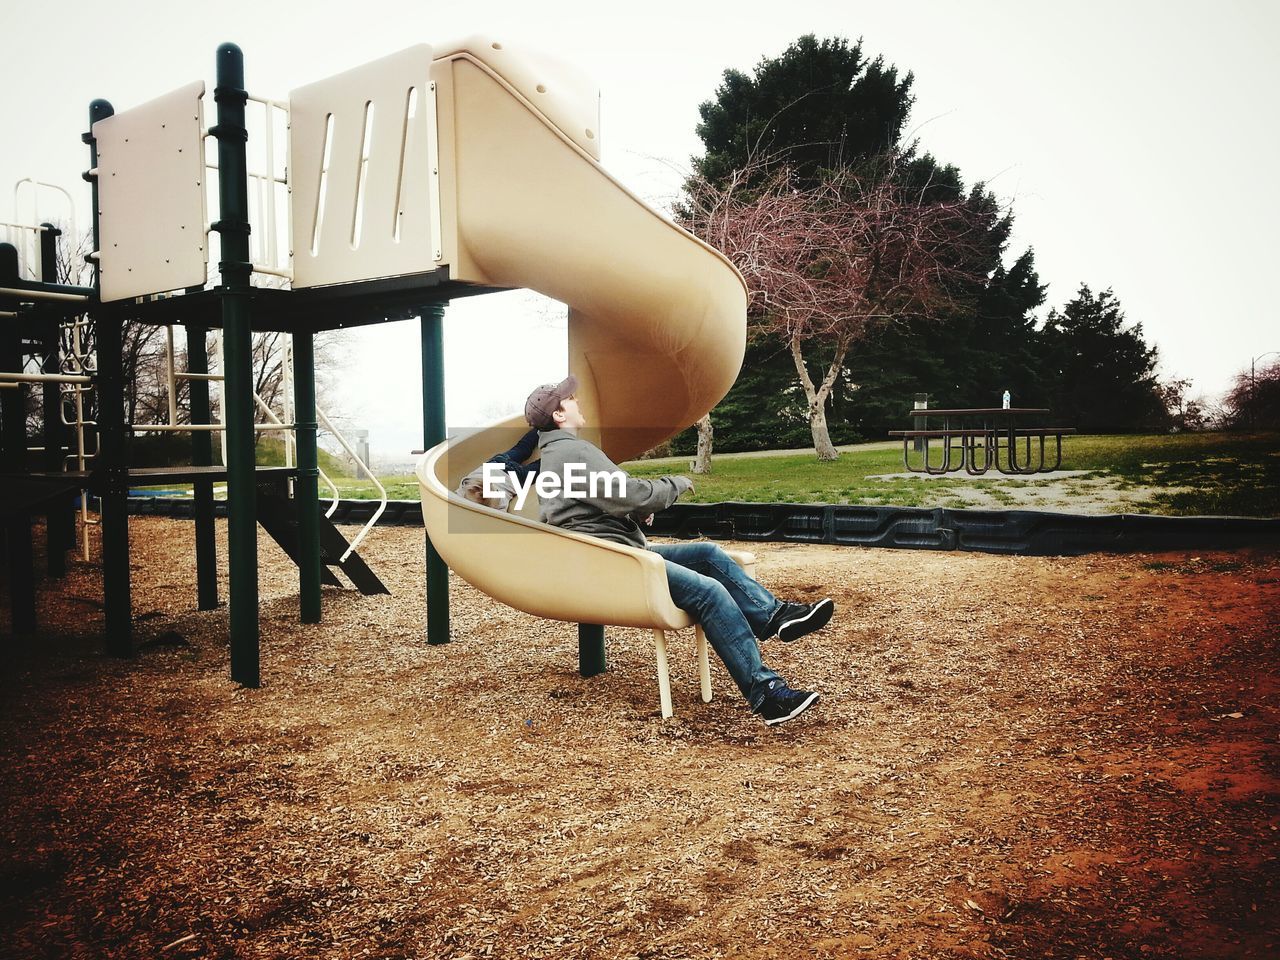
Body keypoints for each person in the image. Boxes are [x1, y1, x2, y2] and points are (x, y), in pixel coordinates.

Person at [525, 375, 834, 726]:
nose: (576, 401)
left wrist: (635, 508)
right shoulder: (572, 452)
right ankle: (766, 694)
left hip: (611, 554)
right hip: (615, 562)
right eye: (570, 399)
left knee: (707, 554)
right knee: (710, 593)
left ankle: (774, 616)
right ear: (559, 416)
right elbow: (629, 493)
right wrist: (674, 484)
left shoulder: (556, 453)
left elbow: (601, 498)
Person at [457, 428, 540, 511]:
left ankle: (552, 456)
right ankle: (541, 426)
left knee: (544, 466)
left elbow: (500, 517)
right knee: (522, 448)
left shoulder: (498, 504)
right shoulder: (465, 485)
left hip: (516, 477)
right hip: (497, 462)